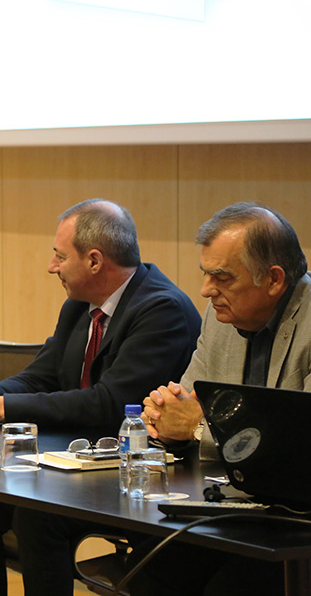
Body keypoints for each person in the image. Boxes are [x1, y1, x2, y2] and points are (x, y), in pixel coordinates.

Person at [0, 199, 202, 596]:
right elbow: (41, 375)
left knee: (35, 516)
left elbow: (110, 404)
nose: (51, 266)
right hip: (78, 460)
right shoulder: (79, 307)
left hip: (137, 471)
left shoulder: (161, 310)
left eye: (59, 256)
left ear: (95, 261)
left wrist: (3, 405)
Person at [133, 202, 311, 596]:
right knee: (149, 569)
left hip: (301, 519)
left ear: (275, 279)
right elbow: (186, 403)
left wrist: (195, 429)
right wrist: (169, 423)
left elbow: (298, 444)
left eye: (222, 277)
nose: (206, 290)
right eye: (206, 274)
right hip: (241, 505)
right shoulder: (221, 317)